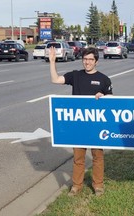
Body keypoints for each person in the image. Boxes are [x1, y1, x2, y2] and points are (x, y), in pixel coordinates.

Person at [49, 46, 113, 197]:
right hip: (78, 125)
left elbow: (112, 99)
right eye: (85, 59)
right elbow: (55, 79)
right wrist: (52, 61)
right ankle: (76, 186)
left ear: (96, 61)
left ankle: (98, 185)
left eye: (90, 59)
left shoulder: (104, 79)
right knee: (78, 157)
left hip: (96, 125)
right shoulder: (75, 76)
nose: (87, 62)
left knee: (97, 156)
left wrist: (103, 96)